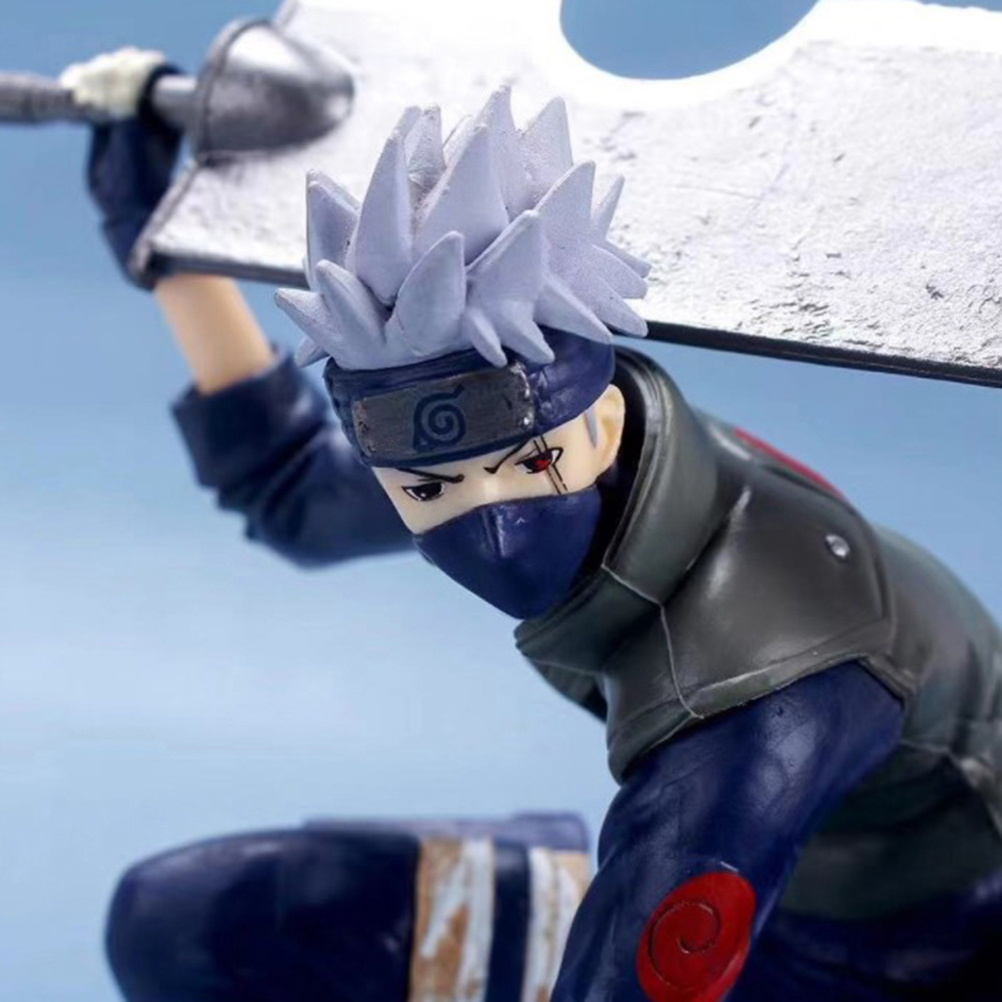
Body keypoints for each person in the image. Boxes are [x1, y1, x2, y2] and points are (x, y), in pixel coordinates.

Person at [70, 50, 1002, 1001]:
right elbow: (298, 494)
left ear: (601, 424)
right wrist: (163, 240)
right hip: (741, 909)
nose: (493, 527)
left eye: (530, 467)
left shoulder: (765, 663)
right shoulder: (509, 445)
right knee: (192, 925)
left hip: (925, 963)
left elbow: (648, 971)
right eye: (430, 492)